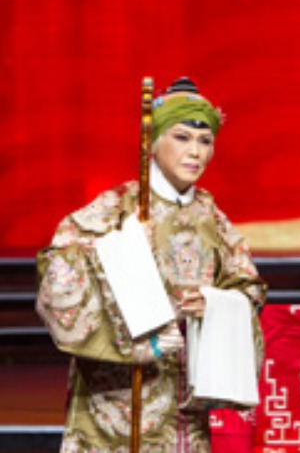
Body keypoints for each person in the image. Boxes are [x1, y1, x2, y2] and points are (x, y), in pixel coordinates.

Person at [36, 77, 266, 452]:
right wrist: (119, 250)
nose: (195, 152)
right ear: (152, 143)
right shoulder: (118, 206)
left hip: (183, 395)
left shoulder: (212, 218)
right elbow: (58, 270)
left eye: (205, 141)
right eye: (182, 137)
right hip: (116, 394)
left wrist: (216, 304)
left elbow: (248, 286)